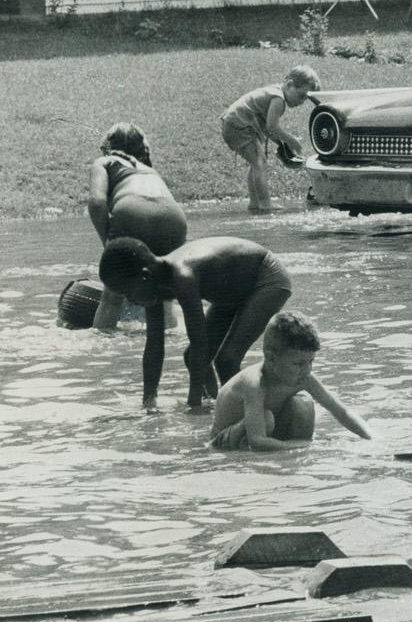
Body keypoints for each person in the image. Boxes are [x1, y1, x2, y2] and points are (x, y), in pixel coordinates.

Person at [99, 236, 292, 411]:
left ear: (145, 276)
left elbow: (200, 342)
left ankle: (253, 413)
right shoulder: (154, 285)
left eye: (128, 293)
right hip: (231, 293)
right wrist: (149, 402)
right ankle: (217, 405)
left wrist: (193, 406)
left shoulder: (182, 276)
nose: (130, 302)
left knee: (227, 359)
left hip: (267, 277)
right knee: (190, 356)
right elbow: (154, 346)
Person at [209, 311, 374, 452]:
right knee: (266, 418)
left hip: (264, 430)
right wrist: (310, 446)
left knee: (303, 404)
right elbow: (257, 442)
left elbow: (342, 412)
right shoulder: (254, 384)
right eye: (298, 364)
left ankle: (293, 456)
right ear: (271, 358)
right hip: (226, 441)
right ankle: (292, 449)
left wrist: (371, 438)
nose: (307, 369)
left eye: (311, 362)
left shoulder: (303, 377)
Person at [86, 123, 187, 329]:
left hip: (132, 210)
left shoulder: (105, 162)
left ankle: (104, 348)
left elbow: (96, 204)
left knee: (112, 296)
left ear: (107, 146)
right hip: (174, 216)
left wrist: (108, 243)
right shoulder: (149, 170)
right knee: (164, 294)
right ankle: (169, 345)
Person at [221, 65, 316, 213]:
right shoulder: (278, 99)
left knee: (256, 163)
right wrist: (291, 140)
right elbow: (272, 127)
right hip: (239, 125)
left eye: (306, 98)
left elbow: (267, 128)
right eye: (301, 95)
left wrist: (281, 143)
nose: (302, 101)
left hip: (234, 124)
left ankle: (255, 202)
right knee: (259, 163)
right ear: (289, 84)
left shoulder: (275, 92)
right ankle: (265, 203)